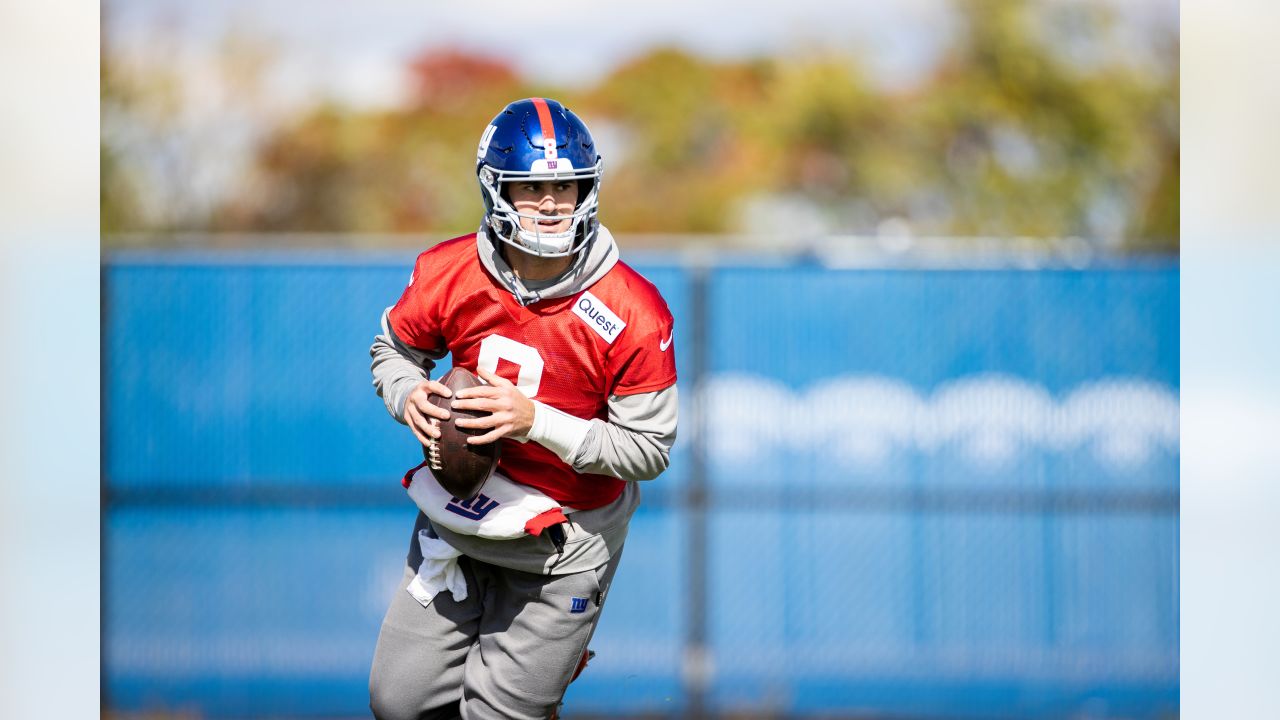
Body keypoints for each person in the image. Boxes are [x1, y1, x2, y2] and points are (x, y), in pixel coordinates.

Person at [367, 97, 678, 720]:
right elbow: (393, 351)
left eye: (566, 185)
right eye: (532, 184)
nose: (551, 202)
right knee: (397, 702)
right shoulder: (449, 270)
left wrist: (534, 420)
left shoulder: (633, 309)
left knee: (500, 716)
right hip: (460, 518)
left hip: (565, 539)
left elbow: (648, 450)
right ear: (495, 188)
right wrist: (409, 396)